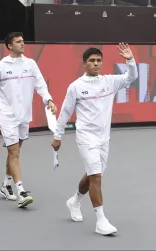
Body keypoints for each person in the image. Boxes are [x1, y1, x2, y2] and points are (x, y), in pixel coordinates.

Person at [51, 44, 138, 235]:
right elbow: (65, 112)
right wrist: (58, 136)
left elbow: (132, 77)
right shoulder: (75, 87)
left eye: (98, 60)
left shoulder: (110, 82)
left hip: (104, 138)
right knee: (96, 176)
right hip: (85, 137)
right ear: (84, 64)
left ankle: (74, 201)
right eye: (92, 61)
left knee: (93, 174)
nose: (96, 64)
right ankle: (101, 220)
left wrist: (130, 60)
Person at [0, 32, 57, 208]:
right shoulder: (0, 67)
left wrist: (49, 100)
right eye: (18, 42)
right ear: (9, 46)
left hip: (24, 116)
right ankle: (20, 191)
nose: (22, 44)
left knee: (14, 152)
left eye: (23, 41)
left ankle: (6, 184)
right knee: (14, 153)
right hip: (7, 116)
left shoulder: (31, 64)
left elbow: (40, 84)